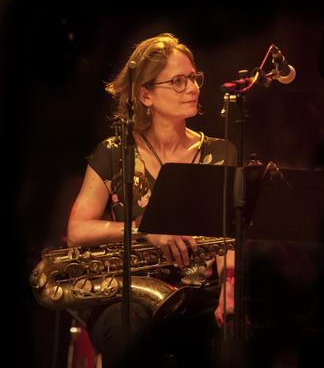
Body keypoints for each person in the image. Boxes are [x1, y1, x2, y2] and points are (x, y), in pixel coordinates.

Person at [66, 33, 237, 368]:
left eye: (193, 78)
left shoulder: (221, 153)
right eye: (178, 81)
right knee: (124, 333)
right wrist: (144, 231)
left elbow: (228, 235)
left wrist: (230, 289)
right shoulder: (114, 153)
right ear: (145, 94)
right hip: (128, 294)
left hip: (199, 296)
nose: (192, 88)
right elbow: (77, 229)